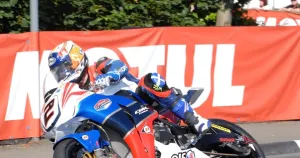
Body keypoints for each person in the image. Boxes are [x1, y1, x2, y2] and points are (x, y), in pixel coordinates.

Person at [47, 41, 211, 137]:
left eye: (65, 67)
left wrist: (109, 76)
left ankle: (196, 120)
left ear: (76, 59)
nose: (63, 74)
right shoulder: (78, 94)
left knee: (151, 80)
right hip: (125, 121)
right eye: (58, 72)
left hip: (143, 101)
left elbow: (120, 66)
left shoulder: (98, 66)